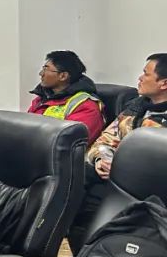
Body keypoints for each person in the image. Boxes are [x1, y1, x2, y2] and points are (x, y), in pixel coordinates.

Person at [69, 54, 167, 247]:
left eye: (146, 74)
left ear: (164, 83)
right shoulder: (135, 108)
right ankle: (84, 254)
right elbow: (105, 140)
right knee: (77, 177)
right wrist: (102, 159)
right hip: (113, 178)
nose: (140, 78)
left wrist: (122, 169)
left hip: (149, 189)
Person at [27, 50, 104, 141]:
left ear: (63, 76)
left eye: (46, 69)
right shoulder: (41, 99)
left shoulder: (85, 106)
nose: (41, 74)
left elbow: (69, 141)